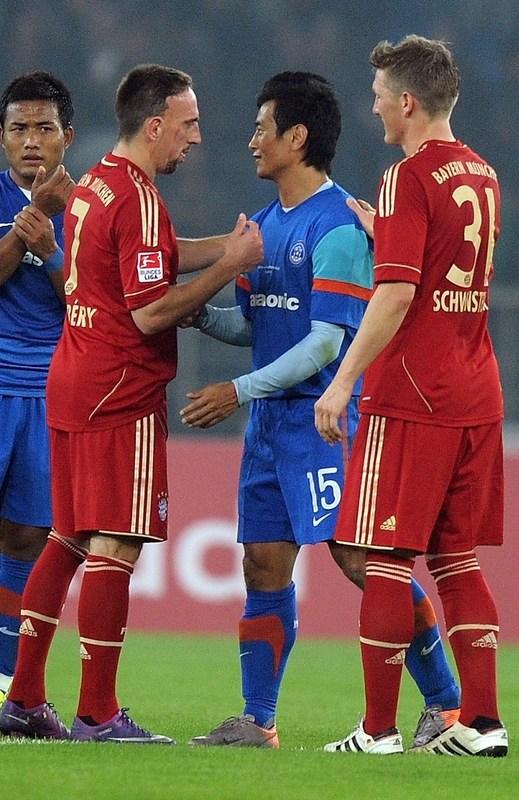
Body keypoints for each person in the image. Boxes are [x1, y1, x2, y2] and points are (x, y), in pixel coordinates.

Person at [179, 71, 460, 749]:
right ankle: (258, 721)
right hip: (269, 430)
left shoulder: (336, 226)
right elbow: (255, 325)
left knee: (363, 563)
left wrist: (236, 390)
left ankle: (446, 707)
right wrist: (194, 317)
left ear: (295, 137)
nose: (250, 141)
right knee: (262, 566)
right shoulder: (263, 227)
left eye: (260, 127)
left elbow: (322, 344)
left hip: (323, 423)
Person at [0, 63, 263, 743]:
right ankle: (97, 712)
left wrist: (229, 250)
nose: (196, 138)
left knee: (65, 537)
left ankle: (24, 698)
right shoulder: (140, 197)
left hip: (72, 379)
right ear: (155, 125)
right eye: (188, 124)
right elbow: (149, 313)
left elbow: (151, 257)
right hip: (121, 390)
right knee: (115, 542)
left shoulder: (91, 187)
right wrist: (229, 269)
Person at [315, 35, 508, 757]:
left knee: (384, 555)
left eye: (376, 98)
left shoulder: (407, 175)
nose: (372, 110)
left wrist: (340, 383)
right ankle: (481, 725)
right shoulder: (480, 172)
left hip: (414, 393)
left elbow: (396, 291)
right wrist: (388, 231)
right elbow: (440, 261)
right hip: (474, 388)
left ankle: (376, 732)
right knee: (456, 559)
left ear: (405, 102)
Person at [0, 71, 76, 704]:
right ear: (2, 138)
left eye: (43, 129)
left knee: (26, 538)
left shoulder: (90, 207)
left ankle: (3, 681)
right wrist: (29, 220)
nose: (31, 141)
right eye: (19, 128)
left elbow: (85, 305)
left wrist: (49, 245)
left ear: (66, 138)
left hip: (47, 393)